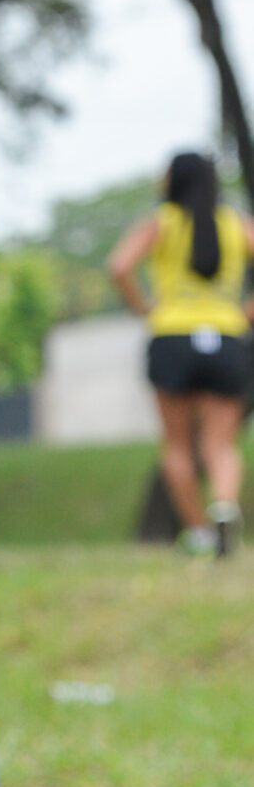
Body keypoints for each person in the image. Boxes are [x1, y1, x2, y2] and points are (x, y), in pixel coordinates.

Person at [109, 152, 254, 558]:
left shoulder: (161, 223)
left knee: (177, 445)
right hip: (226, 336)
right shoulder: (235, 223)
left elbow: (119, 266)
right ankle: (224, 505)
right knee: (221, 444)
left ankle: (199, 533)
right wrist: (244, 311)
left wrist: (142, 306)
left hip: (172, 335)